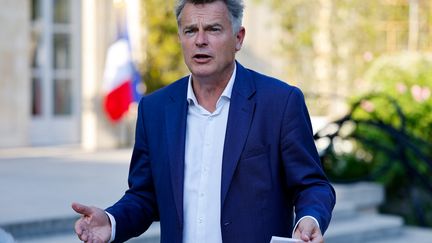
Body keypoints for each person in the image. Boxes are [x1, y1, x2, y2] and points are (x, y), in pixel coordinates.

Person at [72, 0, 336, 242]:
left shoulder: (279, 103)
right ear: (180, 38)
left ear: (238, 38)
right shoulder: (155, 109)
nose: (200, 40)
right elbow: (145, 195)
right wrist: (112, 221)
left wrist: (309, 218)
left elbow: (312, 185)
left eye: (213, 29)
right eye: (190, 31)